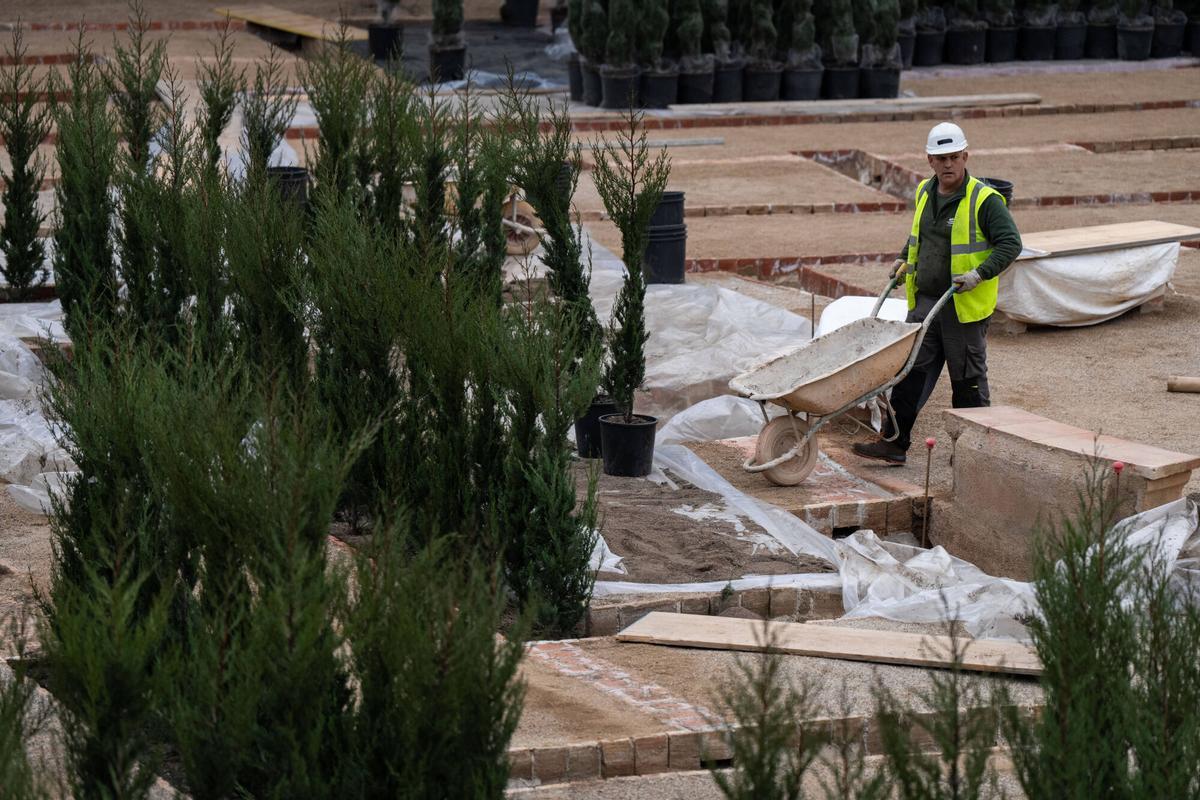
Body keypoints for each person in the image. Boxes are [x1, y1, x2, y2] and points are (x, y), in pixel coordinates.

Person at [852, 122, 1022, 465]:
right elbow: (919, 234)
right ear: (930, 160)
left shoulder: (984, 200)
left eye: (954, 157)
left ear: (965, 156)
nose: (948, 165)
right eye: (941, 158)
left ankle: (973, 455)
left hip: (962, 306)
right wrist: (903, 259)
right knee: (910, 374)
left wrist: (980, 273)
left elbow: (1011, 244)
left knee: (968, 381)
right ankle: (894, 444)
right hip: (927, 301)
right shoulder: (925, 192)